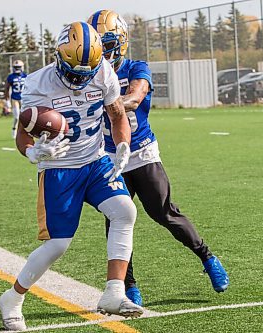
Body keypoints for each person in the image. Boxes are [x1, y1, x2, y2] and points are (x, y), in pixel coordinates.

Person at [0, 22, 143, 331]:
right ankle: (12, 298)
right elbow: (23, 134)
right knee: (58, 245)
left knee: (125, 212)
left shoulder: (103, 71)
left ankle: (114, 293)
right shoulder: (38, 83)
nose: (78, 79)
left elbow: (118, 116)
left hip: (94, 160)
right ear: (57, 56)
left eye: (85, 73)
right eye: (73, 72)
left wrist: (123, 145)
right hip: (59, 168)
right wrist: (32, 153)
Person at [88, 10, 230, 306]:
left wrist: (110, 104)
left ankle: (207, 258)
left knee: (164, 211)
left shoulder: (136, 67)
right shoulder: (88, 77)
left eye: (108, 42)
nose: (104, 49)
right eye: (99, 43)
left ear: (121, 42)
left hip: (141, 152)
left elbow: (135, 97)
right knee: (117, 219)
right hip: (110, 157)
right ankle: (129, 285)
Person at [4, 59, 27, 139]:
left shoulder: (26, 76)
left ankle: (26, 131)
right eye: (16, 67)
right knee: (17, 117)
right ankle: (14, 129)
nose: (17, 69)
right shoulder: (11, 77)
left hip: (24, 99)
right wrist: (7, 101)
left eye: (18, 67)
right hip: (15, 99)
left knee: (26, 116)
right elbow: (6, 89)